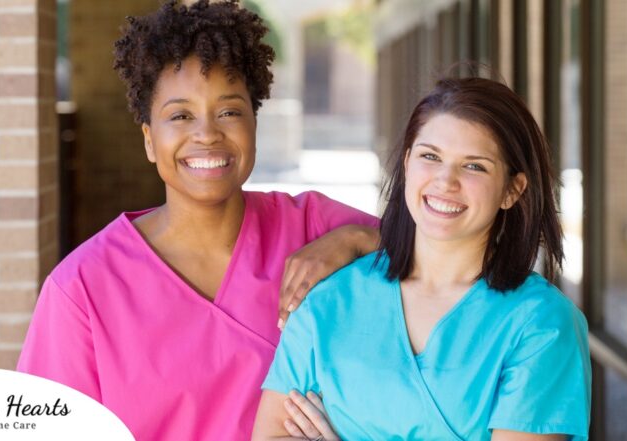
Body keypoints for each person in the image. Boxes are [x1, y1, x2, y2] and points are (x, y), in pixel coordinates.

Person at [16, 1, 378, 440]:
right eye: (180, 115)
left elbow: (456, 253)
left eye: (229, 111)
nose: (207, 133)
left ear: (253, 124)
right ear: (149, 140)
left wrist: (356, 240)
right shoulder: (83, 290)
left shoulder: (314, 228)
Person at [252, 77, 591, 441]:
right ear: (407, 162)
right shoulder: (327, 301)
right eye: (430, 156)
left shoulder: (541, 323)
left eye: (474, 166)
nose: (446, 181)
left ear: (512, 190)